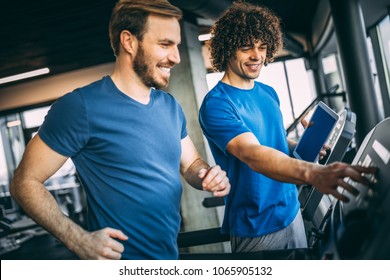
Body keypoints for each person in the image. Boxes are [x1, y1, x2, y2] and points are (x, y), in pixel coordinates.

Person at [10, 0, 230, 260]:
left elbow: (190, 163)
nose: (176, 57)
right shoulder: (80, 107)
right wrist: (77, 239)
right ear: (129, 41)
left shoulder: (169, 106)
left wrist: (206, 174)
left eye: (177, 45)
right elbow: (24, 182)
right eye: (165, 44)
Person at [199, 1, 376, 253]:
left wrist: (303, 145)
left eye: (262, 47)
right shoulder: (217, 104)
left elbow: (273, 141)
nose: (257, 56)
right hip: (256, 226)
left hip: (291, 210)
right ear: (228, 48)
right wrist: (312, 173)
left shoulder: (268, 92)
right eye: (246, 47)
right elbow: (253, 154)